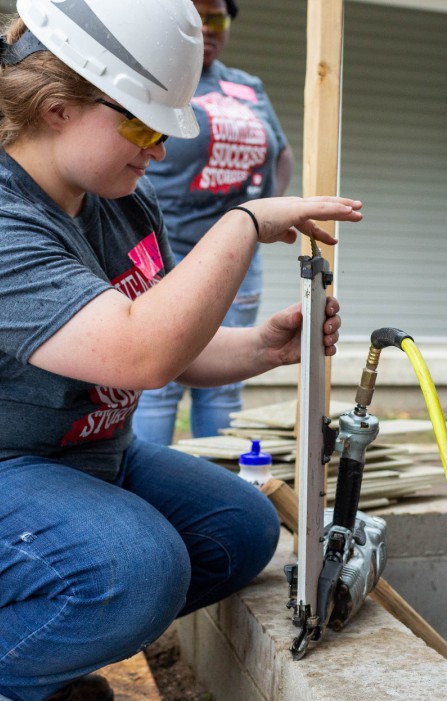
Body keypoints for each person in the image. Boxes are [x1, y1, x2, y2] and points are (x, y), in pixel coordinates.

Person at [0, 0, 361, 701]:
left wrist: (264, 346)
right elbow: (140, 354)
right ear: (58, 106)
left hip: (83, 457)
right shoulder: (7, 220)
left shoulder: (119, 202)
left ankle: (37, 662)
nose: (158, 151)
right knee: (135, 568)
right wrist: (244, 222)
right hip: (11, 467)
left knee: (240, 531)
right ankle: (16, 663)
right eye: (143, 125)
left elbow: (168, 345)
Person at [133, 0, 295, 445]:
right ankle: (149, 495)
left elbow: (280, 152)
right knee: (159, 381)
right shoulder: (155, 75)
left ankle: (215, 485)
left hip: (236, 259)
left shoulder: (247, 86)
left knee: (224, 388)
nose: (206, 27)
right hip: (166, 255)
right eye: (196, 16)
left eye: (218, 17)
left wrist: (262, 215)